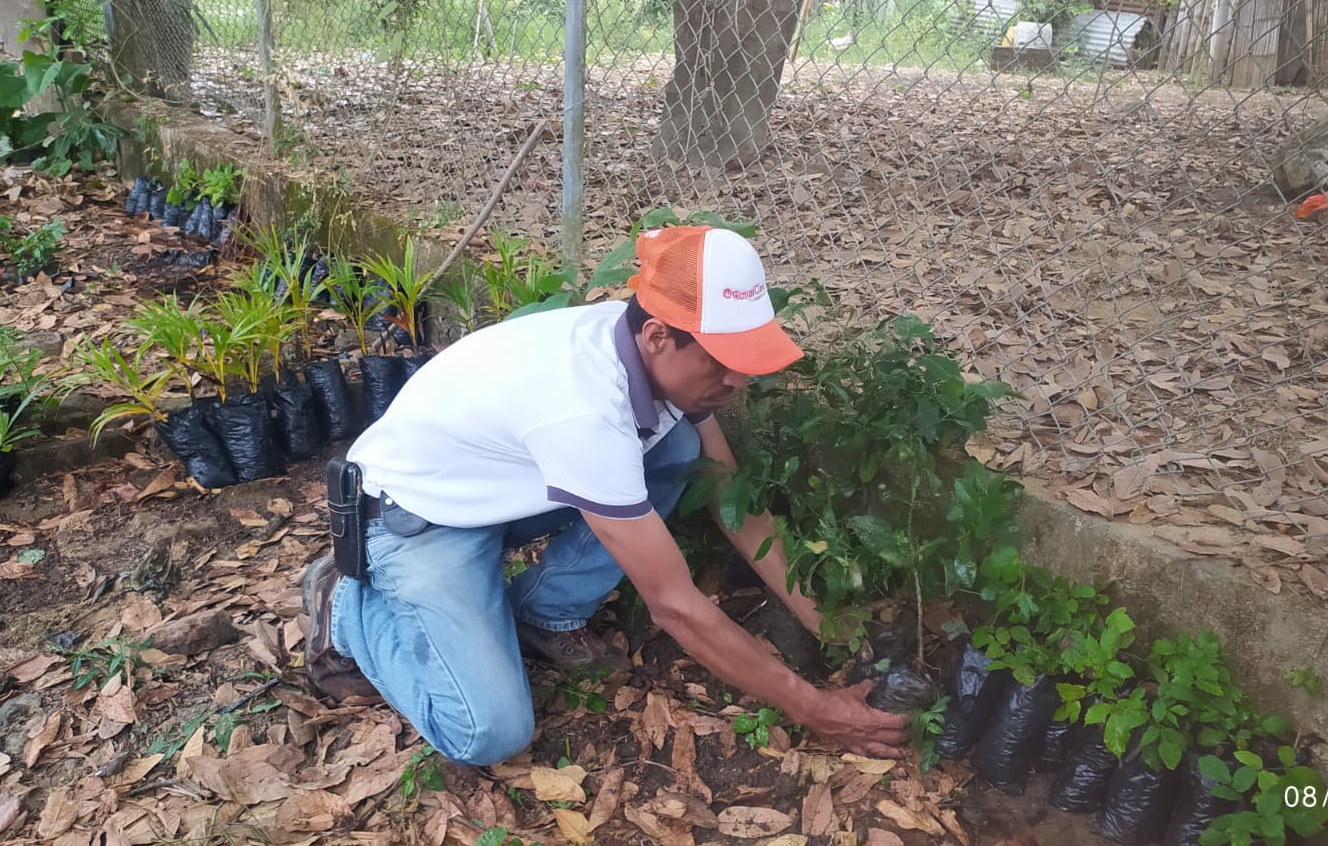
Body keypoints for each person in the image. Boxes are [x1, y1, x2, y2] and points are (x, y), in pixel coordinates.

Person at [300, 225, 909, 765]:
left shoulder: (642, 350)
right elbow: (674, 605)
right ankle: (347, 609)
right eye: (722, 360)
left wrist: (824, 620)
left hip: (492, 486)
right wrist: (812, 707)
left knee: (680, 449)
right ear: (658, 336)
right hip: (413, 518)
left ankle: (544, 612)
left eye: (745, 358)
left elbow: (731, 496)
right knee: (488, 731)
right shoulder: (583, 408)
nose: (739, 379)